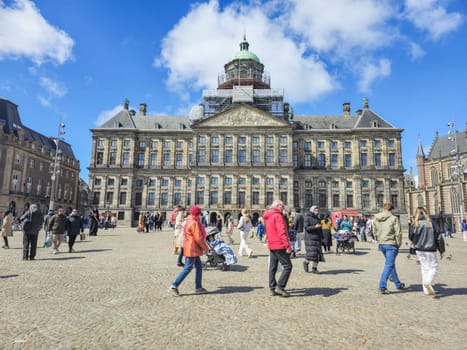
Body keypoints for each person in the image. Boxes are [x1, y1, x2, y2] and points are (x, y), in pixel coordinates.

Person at [169, 205, 210, 296]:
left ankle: (198, 287)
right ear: (197, 214)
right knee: (187, 268)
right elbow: (199, 238)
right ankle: (174, 285)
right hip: (193, 248)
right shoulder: (194, 223)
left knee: (199, 266)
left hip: (190, 246)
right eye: (199, 214)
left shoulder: (188, 221)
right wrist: (207, 249)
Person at [409, 207, 445, 295]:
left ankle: (426, 290)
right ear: (426, 213)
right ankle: (428, 282)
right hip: (430, 248)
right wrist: (442, 250)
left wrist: (417, 241)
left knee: (424, 268)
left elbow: (411, 237)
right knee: (434, 267)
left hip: (419, 249)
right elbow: (439, 237)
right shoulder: (431, 223)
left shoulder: (414, 224)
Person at [263, 199, 293, 297]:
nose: (283, 208)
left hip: (272, 244)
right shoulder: (278, 216)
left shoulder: (268, 216)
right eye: (282, 206)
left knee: (273, 267)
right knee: (288, 266)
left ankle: (272, 288)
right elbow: (282, 232)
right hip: (279, 244)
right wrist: (288, 246)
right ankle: (280, 286)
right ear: (278, 206)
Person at [374, 202, 405, 294]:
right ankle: (382, 286)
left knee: (391, 264)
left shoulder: (377, 218)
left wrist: (378, 239)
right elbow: (398, 232)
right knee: (389, 265)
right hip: (391, 244)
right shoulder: (394, 218)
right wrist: (398, 243)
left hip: (382, 244)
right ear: (392, 209)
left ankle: (398, 284)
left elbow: (374, 230)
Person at [303, 205, 325, 273]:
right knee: (311, 254)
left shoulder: (318, 219)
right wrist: (315, 227)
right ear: (312, 211)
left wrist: (322, 238)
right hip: (310, 238)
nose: (317, 212)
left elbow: (320, 229)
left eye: (318, 210)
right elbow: (306, 228)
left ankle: (314, 268)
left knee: (318, 254)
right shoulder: (307, 218)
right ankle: (306, 262)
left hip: (317, 238)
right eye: (316, 210)